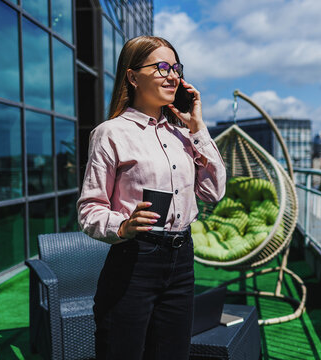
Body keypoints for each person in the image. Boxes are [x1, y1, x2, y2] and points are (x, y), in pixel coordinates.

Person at [77, 35, 226, 360]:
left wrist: (198, 129)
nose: (173, 75)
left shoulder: (183, 135)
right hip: (134, 259)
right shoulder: (111, 133)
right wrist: (124, 226)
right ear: (132, 76)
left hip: (182, 260)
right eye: (161, 67)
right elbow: (89, 209)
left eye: (176, 67)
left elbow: (213, 192)